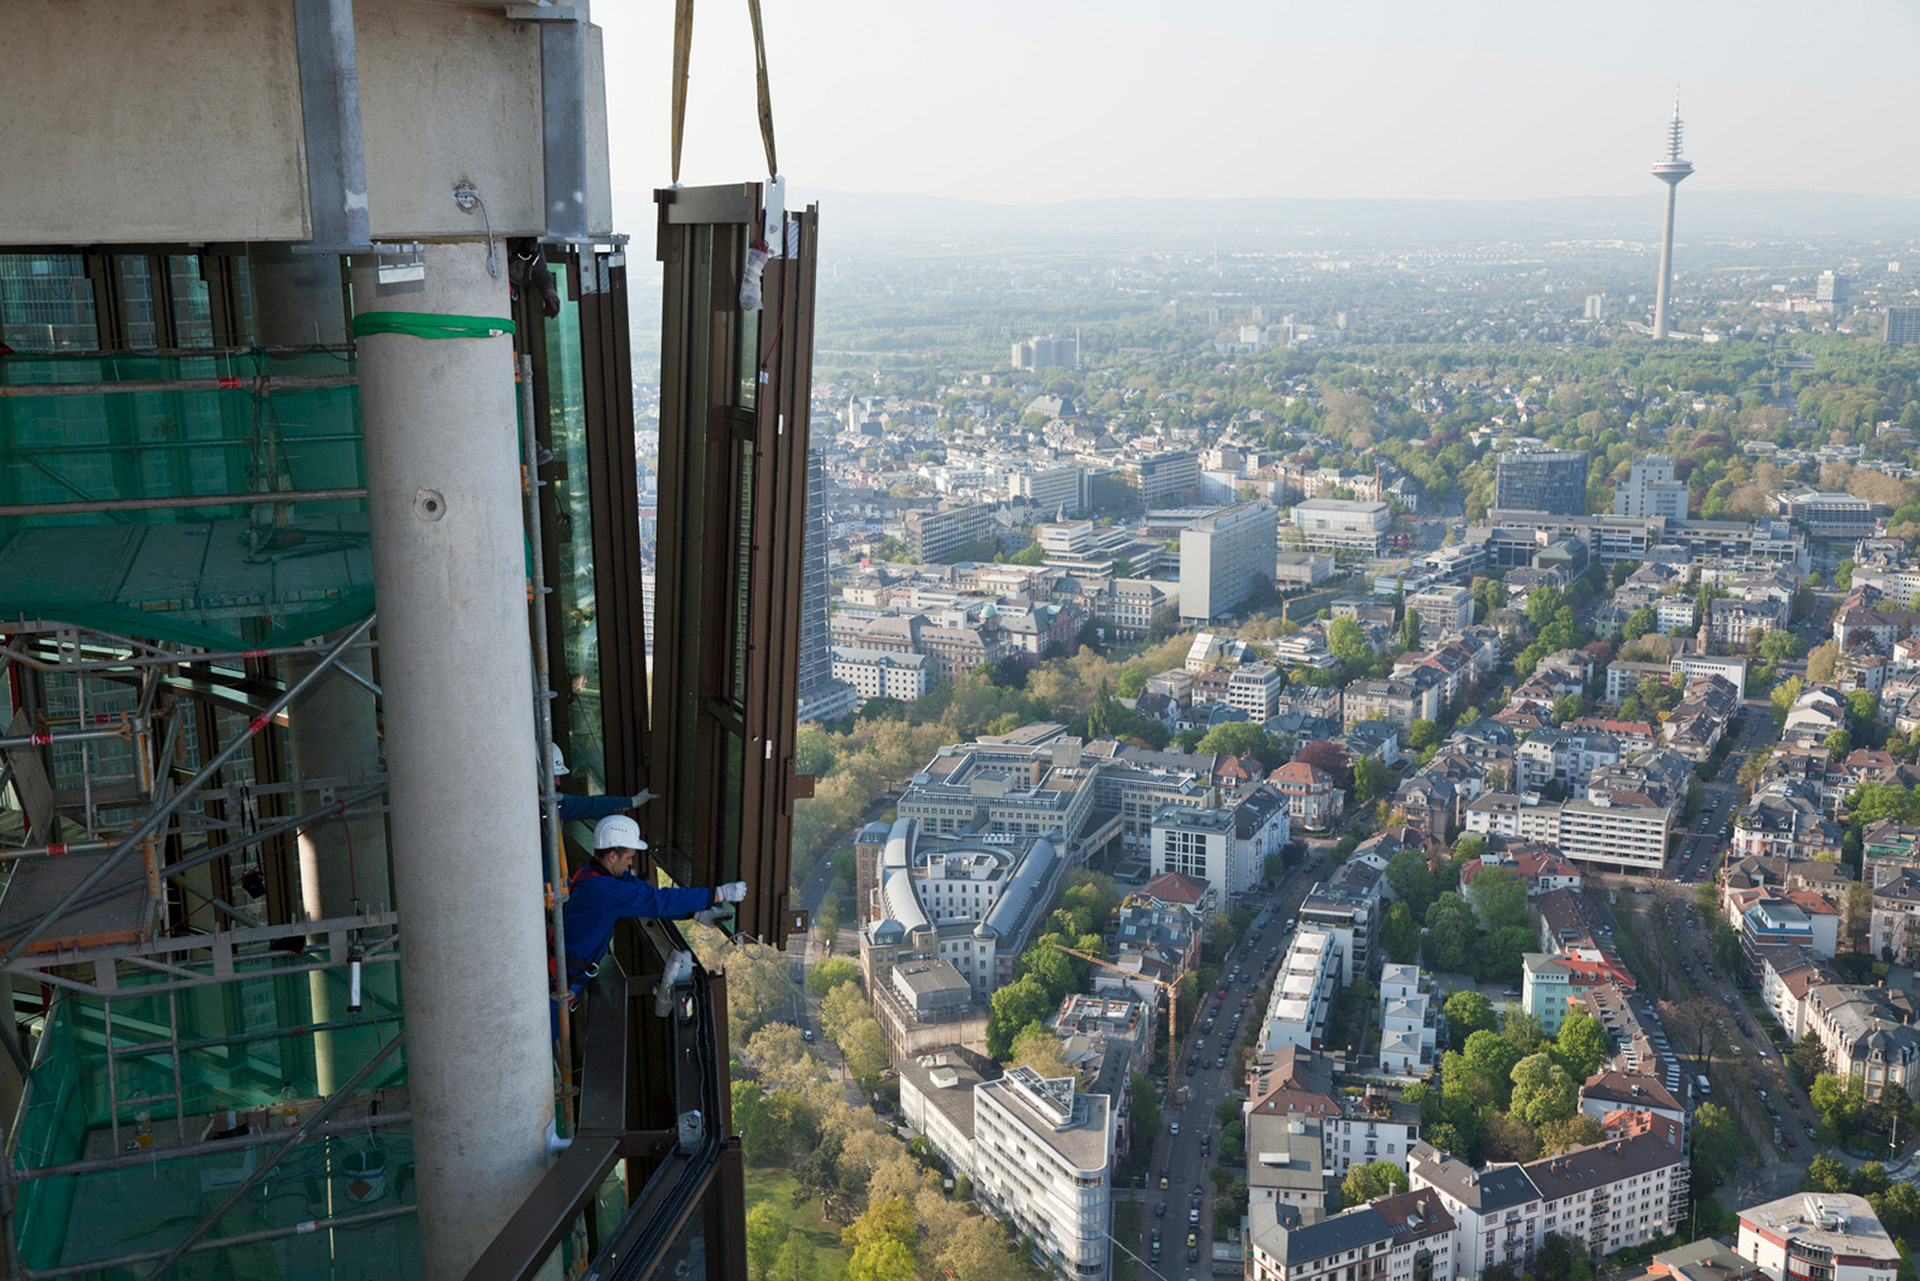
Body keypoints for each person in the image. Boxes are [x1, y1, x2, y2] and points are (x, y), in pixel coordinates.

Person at [555, 815, 746, 1013]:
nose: (630, 863)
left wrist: (694, 913)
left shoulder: (596, 874)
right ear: (612, 856)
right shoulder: (604, 890)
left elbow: (648, 898)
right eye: (628, 857)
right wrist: (718, 894)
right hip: (563, 981)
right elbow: (658, 901)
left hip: (567, 973)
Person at [543, 744, 654, 823]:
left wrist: (633, 801)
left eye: (558, 776)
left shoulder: (558, 804)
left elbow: (590, 805)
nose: (558, 782)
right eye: (553, 776)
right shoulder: (533, 810)